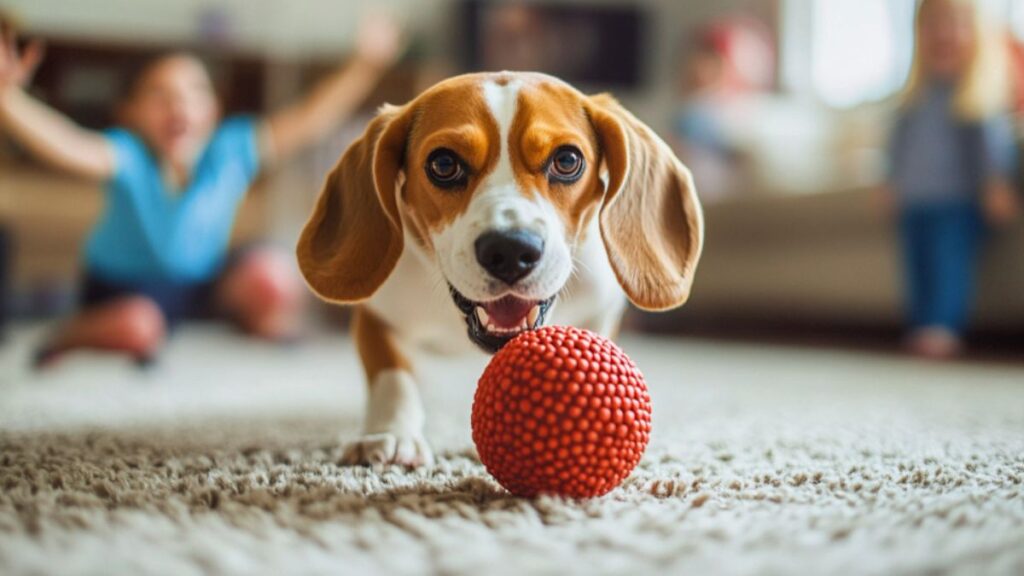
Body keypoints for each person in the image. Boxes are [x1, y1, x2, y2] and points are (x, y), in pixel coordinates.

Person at [0, 15, 404, 367]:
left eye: (194, 93)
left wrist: (364, 65)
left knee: (273, 277)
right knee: (138, 326)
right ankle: (67, 331)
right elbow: (66, 144)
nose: (180, 106)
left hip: (199, 284)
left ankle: (259, 329)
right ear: (128, 111)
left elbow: (309, 119)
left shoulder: (229, 148)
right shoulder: (127, 154)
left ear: (213, 109)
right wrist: (7, 100)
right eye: (159, 94)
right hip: (123, 289)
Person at [879, 0, 1019, 359]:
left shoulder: (975, 99)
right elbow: (896, 150)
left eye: (955, 23)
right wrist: (889, 183)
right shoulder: (912, 102)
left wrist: (995, 184)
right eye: (933, 24)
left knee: (947, 263)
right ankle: (921, 322)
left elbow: (990, 150)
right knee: (917, 264)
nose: (944, 33)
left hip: (955, 203)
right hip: (915, 201)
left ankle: (941, 326)